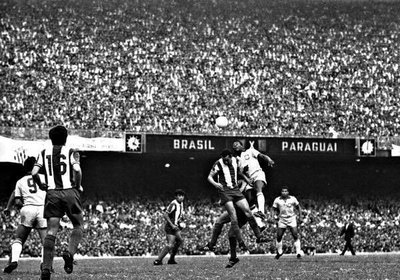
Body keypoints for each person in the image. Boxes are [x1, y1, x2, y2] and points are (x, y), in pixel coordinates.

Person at [31, 125, 84, 280]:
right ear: (66, 138)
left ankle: (46, 268)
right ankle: (69, 253)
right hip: (69, 192)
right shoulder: (70, 152)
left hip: (52, 193)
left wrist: (41, 184)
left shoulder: (43, 153)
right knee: (78, 225)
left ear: (51, 138)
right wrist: (78, 185)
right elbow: (78, 170)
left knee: (51, 230)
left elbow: (34, 172)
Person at [207, 149, 267, 267]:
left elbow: (249, 198)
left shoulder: (248, 185)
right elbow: (212, 177)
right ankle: (229, 255)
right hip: (235, 204)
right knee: (220, 223)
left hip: (242, 212)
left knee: (232, 226)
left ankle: (249, 240)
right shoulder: (239, 178)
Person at [3, 157, 47, 274]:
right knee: (45, 241)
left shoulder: (20, 181)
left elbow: (17, 201)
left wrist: (12, 207)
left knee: (19, 239)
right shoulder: (45, 177)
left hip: (28, 208)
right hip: (42, 208)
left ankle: (14, 260)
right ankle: (44, 264)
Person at [203, 180, 267, 253]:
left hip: (240, 211)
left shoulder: (248, 186)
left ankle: (212, 244)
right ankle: (234, 254)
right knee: (230, 233)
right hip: (243, 212)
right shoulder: (244, 184)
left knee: (219, 221)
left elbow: (244, 199)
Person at [232, 140, 274, 219]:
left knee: (259, 189)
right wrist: (247, 179)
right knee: (249, 199)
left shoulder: (250, 151)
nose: (235, 146)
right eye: (233, 145)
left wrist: (268, 159)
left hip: (258, 174)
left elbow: (261, 155)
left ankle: (261, 211)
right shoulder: (238, 160)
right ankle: (260, 223)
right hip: (250, 179)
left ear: (242, 145)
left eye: (236, 144)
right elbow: (240, 173)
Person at [154, 189, 186, 265]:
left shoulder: (181, 203)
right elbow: (165, 214)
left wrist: (181, 221)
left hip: (175, 226)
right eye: (179, 196)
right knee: (170, 244)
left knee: (179, 241)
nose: (181, 197)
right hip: (170, 227)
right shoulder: (174, 204)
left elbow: (178, 214)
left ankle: (171, 259)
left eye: (182, 196)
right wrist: (172, 225)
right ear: (176, 197)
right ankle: (158, 260)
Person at [272, 186, 303, 259]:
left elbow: (299, 207)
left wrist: (300, 216)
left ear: (288, 192)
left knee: (295, 234)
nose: (284, 192)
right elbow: (273, 209)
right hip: (282, 219)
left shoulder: (292, 198)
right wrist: (272, 216)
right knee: (279, 236)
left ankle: (298, 252)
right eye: (283, 191)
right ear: (281, 192)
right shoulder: (277, 200)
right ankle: (279, 252)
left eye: (286, 191)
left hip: (291, 218)